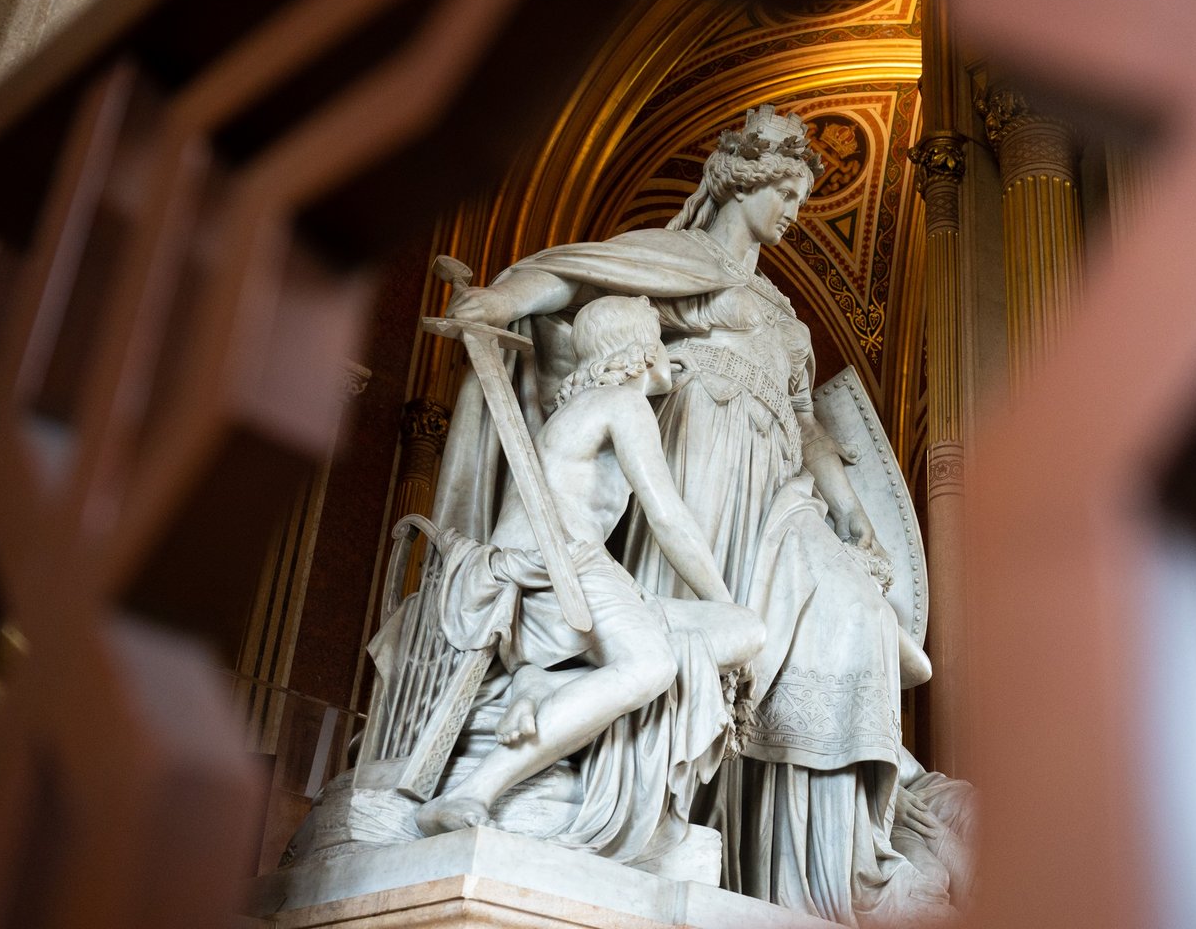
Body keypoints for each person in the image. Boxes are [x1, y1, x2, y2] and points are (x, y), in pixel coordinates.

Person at [434, 105, 966, 924]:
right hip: (685, 465)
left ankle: (824, 863)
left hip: (774, 492)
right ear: (742, 181)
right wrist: (502, 303)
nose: (793, 209)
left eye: (801, 194)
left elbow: (808, 423)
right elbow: (574, 278)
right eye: (784, 188)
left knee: (855, 618)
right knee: (686, 634)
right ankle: (658, 809)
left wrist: (853, 513)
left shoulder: (786, 312)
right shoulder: (675, 258)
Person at [414, 296, 762, 862]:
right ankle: (469, 793)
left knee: (743, 629)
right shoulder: (622, 406)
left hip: (575, 574)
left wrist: (726, 613)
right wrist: (717, 597)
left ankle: (541, 686)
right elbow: (667, 515)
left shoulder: (579, 411)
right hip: (556, 569)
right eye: (659, 341)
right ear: (641, 350)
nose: (667, 355)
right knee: (653, 665)